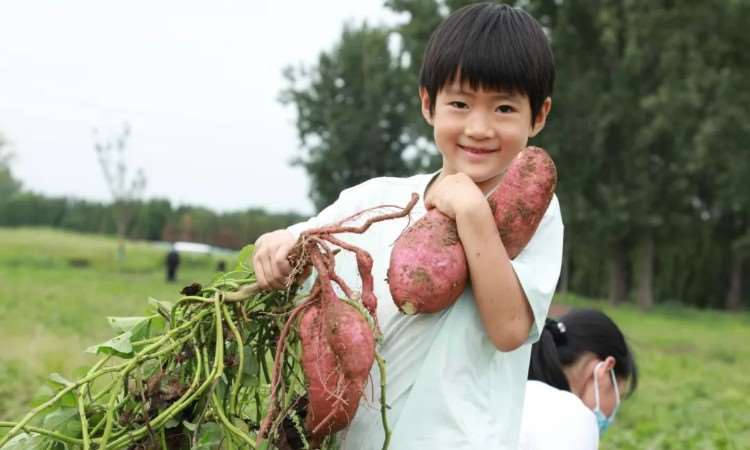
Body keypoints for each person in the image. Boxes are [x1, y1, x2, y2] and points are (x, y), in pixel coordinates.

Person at [253, 3, 561, 449]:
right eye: (459, 103)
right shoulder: (375, 199)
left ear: (538, 116)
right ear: (427, 104)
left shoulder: (535, 212)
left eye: (504, 109)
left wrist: (473, 214)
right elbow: (300, 247)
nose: (479, 127)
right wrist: (275, 243)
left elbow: (510, 327)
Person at [519, 309, 639, 450]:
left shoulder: (517, 396)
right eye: (619, 395)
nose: (611, 417)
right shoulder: (575, 420)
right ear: (605, 371)